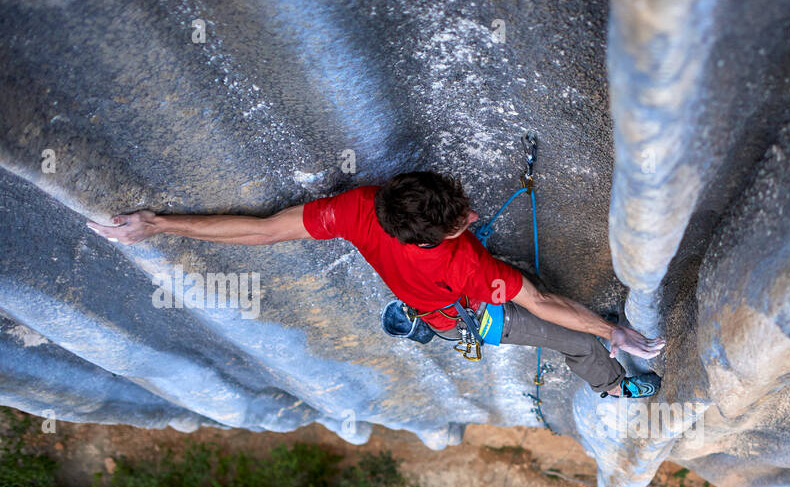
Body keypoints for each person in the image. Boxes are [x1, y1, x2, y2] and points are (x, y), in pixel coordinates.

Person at [87, 171, 664, 397]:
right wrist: (616, 333)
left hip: (432, 293)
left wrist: (157, 224)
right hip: (468, 310)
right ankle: (612, 388)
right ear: (429, 239)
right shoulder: (465, 266)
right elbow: (538, 302)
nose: (470, 216)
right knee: (578, 339)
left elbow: (262, 232)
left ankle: (420, 318)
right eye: (461, 220)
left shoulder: (360, 208)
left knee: (528, 286)